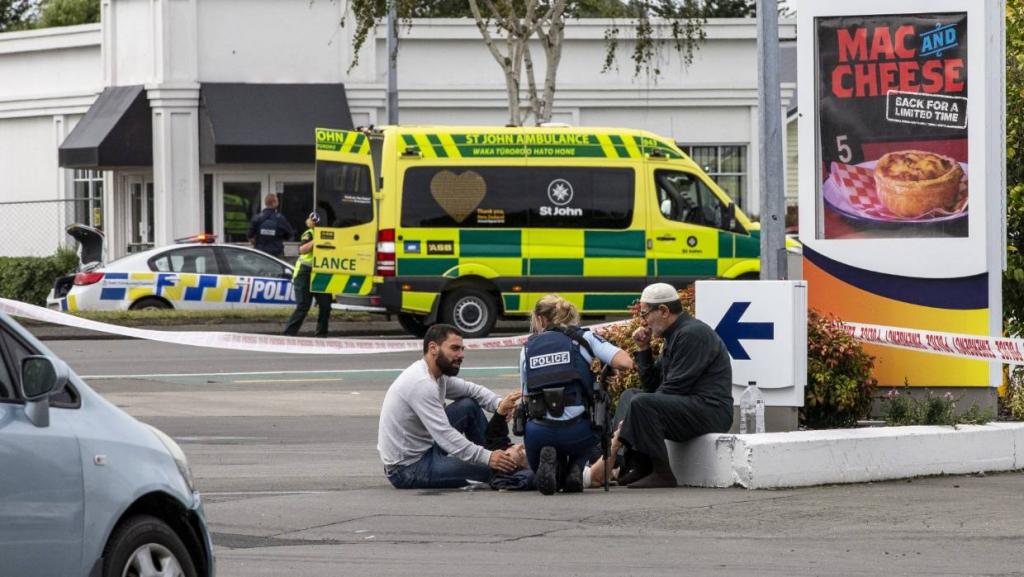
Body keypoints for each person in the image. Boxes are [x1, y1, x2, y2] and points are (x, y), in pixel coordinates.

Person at [617, 282, 734, 489]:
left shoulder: (692, 334)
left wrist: (631, 421)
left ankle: (662, 473)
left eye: (644, 314)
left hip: (710, 410)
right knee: (630, 396)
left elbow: (674, 388)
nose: (643, 322)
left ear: (663, 311)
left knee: (642, 403)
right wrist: (643, 349)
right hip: (689, 405)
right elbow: (654, 385)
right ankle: (641, 466)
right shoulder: (674, 335)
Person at [378, 324, 521, 489]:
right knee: (495, 470)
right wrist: (487, 458)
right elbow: (444, 435)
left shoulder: (437, 375)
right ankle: (504, 463)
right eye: (455, 349)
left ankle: (502, 455)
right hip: (407, 469)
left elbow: (471, 390)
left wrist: (499, 403)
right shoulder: (421, 383)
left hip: (427, 448)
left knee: (468, 405)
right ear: (433, 348)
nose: (461, 355)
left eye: (462, 349)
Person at [520, 295, 633, 495]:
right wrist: (603, 371)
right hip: (578, 431)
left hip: (539, 432)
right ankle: (577, 466)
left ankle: (557, 467)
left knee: (535, 438)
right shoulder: (584, 338)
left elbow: (527, 397)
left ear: (540, 319)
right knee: (593, 419)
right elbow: (625, 362)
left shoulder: (527, 349)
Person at [283, 212, 332, 337]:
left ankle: (321, 334)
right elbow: (302, 250)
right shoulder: (309, 233)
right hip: (304, 273)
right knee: (303, 306)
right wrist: (317, 240)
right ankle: (289, 334)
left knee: (325, 306)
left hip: (321, 273)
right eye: (314, 221)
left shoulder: (332, 235)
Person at [247, 193, 294, 259]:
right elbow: (290, 235)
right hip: (276, 255)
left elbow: (249, 236)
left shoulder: (257, 218)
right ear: (274, 203)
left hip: (260, 254)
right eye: (277, 201)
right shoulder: (280, 218)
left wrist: (257, 244)